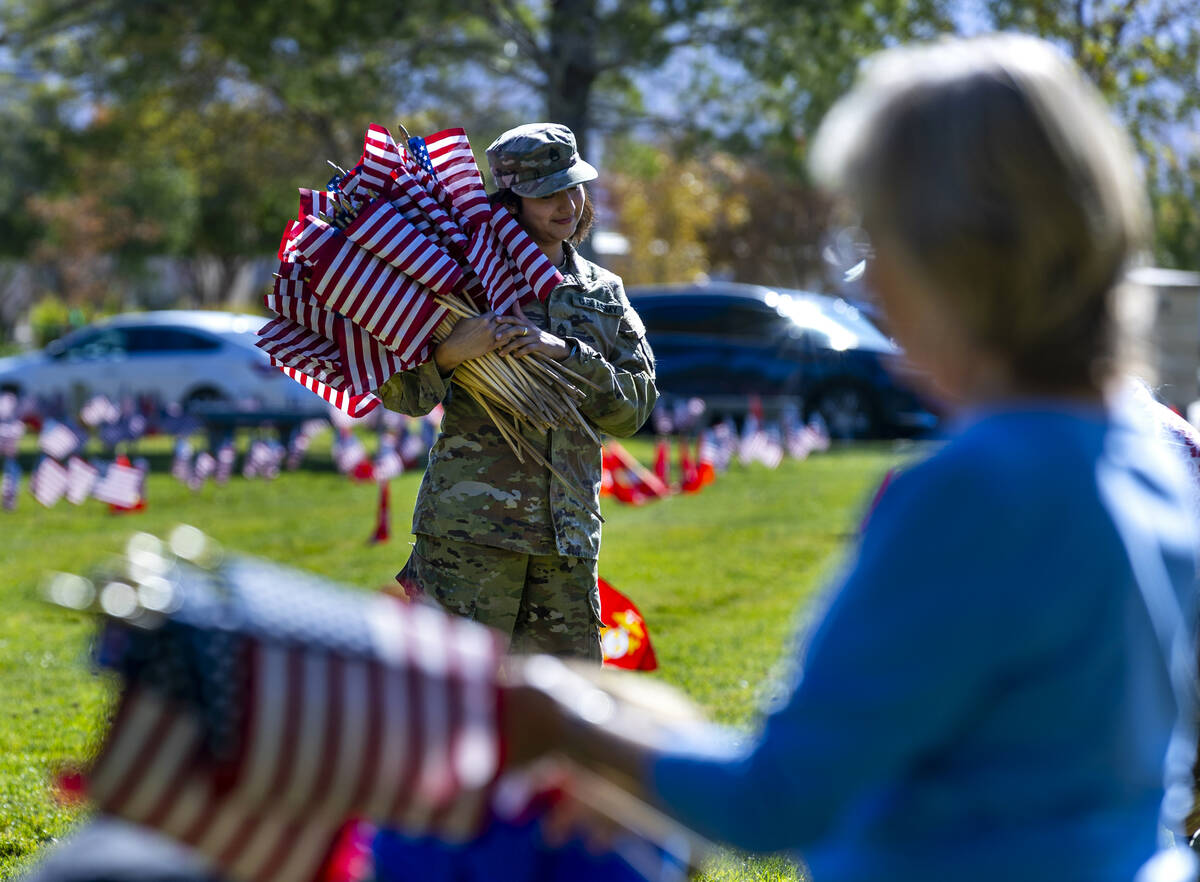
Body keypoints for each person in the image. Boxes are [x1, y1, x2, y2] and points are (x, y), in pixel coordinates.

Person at [504, 34, 1199, 881]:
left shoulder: (977, 494)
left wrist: (557, 716)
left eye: (883, 246)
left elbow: (778, 799)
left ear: (956, 261)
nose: (875, 296)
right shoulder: (1153, 458)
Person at [377, 122, 657, 661]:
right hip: (470, 536)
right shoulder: (463, 282)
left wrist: (567, 353)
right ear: (509, 201)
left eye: (572, 186)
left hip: (567, 540)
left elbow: (634, 410)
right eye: (546, 193)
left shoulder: (603, 293)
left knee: (568, 715)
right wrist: (452, 351)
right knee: (455, 709)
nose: (566, 204)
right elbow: (402, 396)